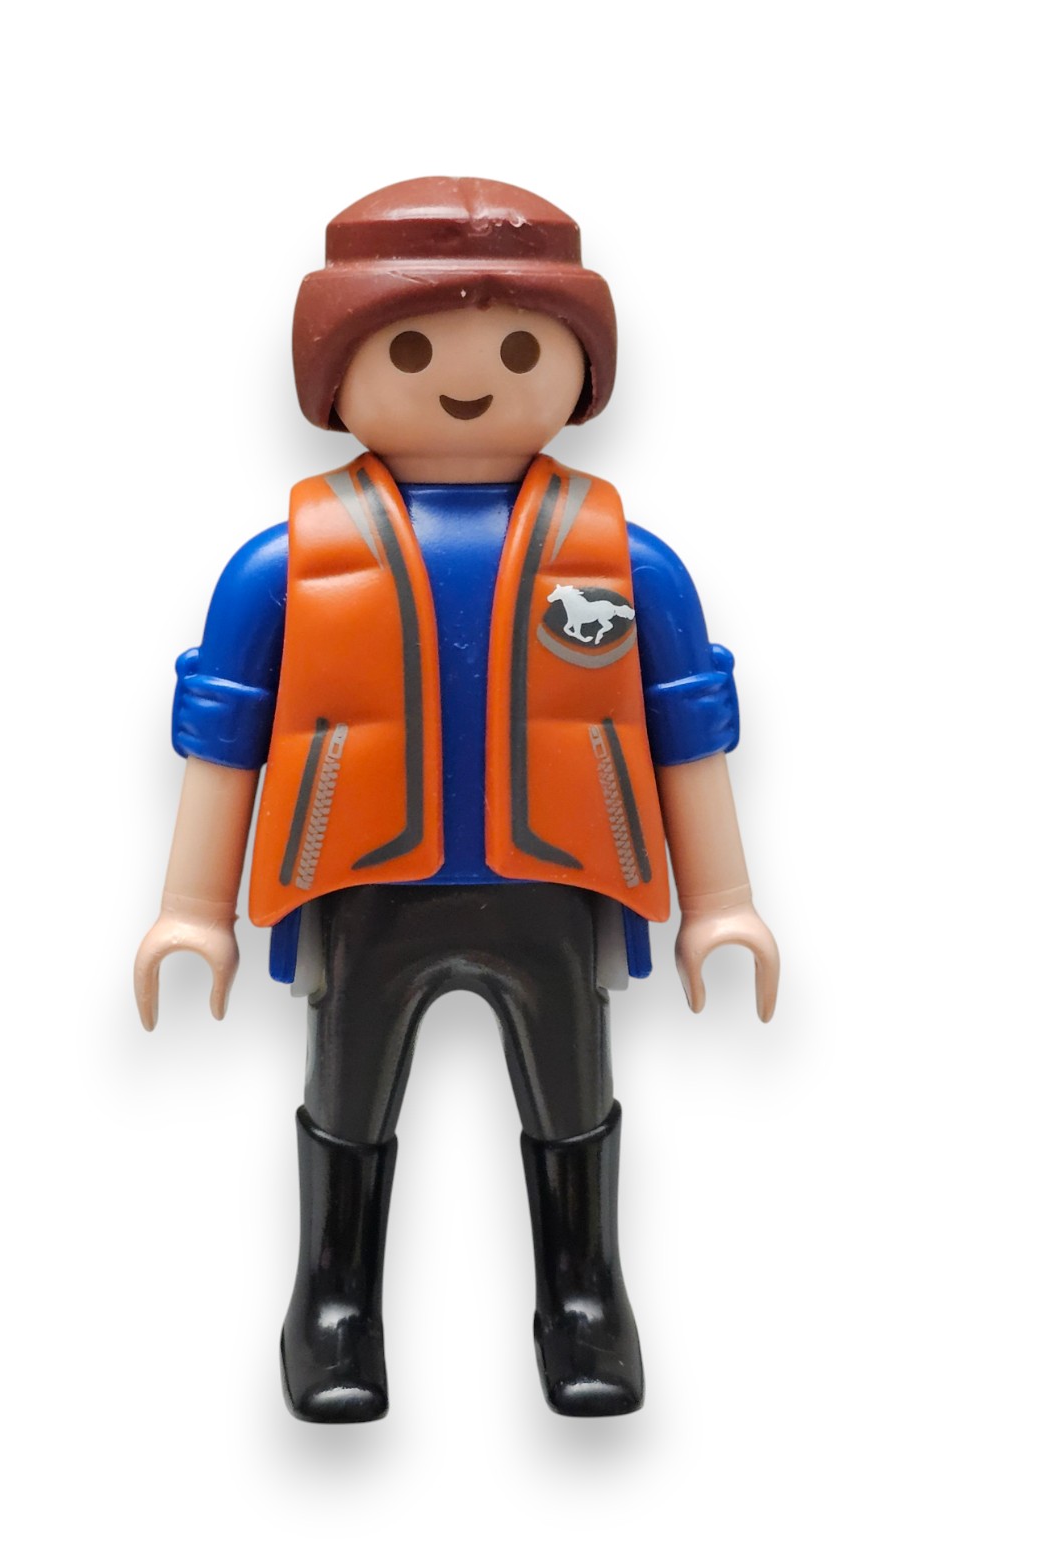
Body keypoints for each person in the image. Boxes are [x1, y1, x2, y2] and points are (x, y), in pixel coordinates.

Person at [134, 176, 779, 1422]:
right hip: (365, 885)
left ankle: (583, 1298)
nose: (469, 382)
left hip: (555, 884)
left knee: (572, 1095)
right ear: (334, 372)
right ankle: (334, 1307)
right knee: (349, 1096)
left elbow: (688, 725)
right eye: (413, 351)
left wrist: (722, 901)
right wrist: (192, 909)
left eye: (522, 350)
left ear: (580, 373)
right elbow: (223, 732)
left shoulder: (625, 562)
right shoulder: (283, 565)